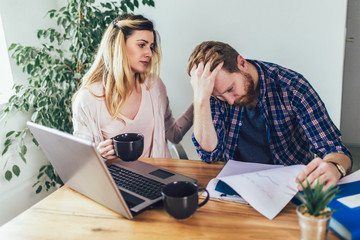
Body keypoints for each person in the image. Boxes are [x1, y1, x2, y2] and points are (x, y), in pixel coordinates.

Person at [187, 41, 352, 189]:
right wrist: (201, 99)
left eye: (230, 89)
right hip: (238, 185)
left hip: (291, 185)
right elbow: (210, 155)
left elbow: (335, 148)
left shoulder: (292, 87)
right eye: (220, 96)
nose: (229, 101)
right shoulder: (212, 94)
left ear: (242, 63)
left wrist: (334, 167)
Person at [72, 14, 193, 160]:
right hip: (115, 181)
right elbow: (82, 161)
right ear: (119, 46)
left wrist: (201, 99)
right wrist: (100, 154)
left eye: (151, 47)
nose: (149, 53)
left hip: (157, 178)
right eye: (141, 45)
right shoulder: (88, 98)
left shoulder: (155, 86)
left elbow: (174, 134)